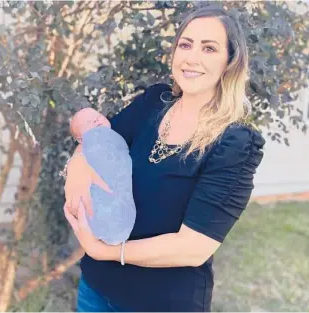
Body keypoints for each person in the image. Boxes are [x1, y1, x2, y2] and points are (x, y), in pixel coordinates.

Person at [63, 5, 266, 312]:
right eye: (186, 44)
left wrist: (106, 251)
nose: (192, 57)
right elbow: (98, 139)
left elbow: (193, 248)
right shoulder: (152, 103)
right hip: (96, 288)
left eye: (209, 48)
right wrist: (78, 161)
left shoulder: (235, 144)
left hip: (160, 302)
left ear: (229, 63)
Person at [61, 107, 136, 245]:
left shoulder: (116, 136)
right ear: (80, 139)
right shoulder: (90, 148)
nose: (96, 120)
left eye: (98, 116)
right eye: (89, 122)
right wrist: (77, 161)